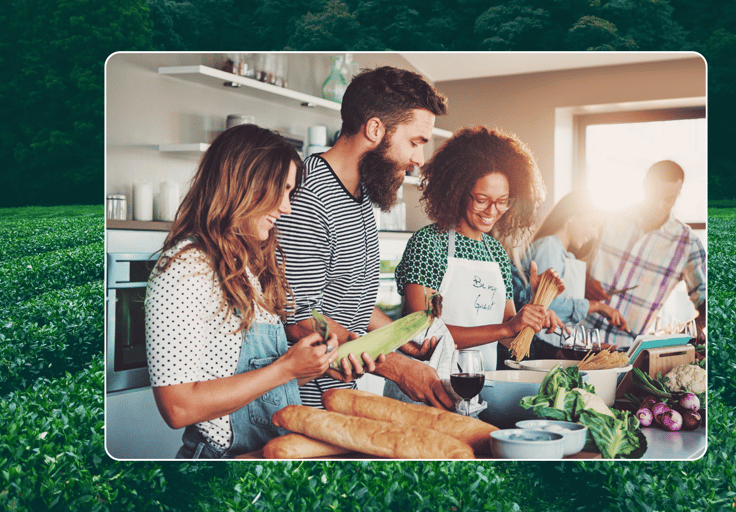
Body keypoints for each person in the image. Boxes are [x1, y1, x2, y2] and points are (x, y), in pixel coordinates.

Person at [144, 125, 363, 459]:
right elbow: (178, 406)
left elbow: (254, 388)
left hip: (269, 454)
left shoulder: (248, 266)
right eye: (281, 191)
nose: (287, 208)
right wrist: (285, 368)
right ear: (244, 186)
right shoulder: (185, 268)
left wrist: (311, 365)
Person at [276, 66, 456, 410]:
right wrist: (398, 368)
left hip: (338, 398)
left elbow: (344, 295)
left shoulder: (358, 196)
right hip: (300, 405)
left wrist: (399, 337)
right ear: (375, 128)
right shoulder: (308, 197)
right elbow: (299, 318)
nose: (419, 159)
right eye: (415, 142)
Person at [395, 126, 566, 372]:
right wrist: (507, 328)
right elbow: (421, 332)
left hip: (476, 387)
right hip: (421, 388)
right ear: (456, 191)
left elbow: (508, 337)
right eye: (482, 199)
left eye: (502, 201)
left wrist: (534, 310)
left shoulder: (495, 253)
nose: (491, 211)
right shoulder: (429, 244)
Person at [584, 160, 707, 348]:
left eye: (668, 199)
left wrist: (695, 327)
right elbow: (570, 259)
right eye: (654, 195)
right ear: (644, 186)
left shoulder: (687, 244)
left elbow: (708, 302)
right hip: (576, 336)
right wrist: (582, 281)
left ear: (678, 195)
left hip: (625, 350)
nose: (659, 205)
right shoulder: (609, 218)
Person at [519, 189, 628, 359]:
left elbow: (562, 322)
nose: (594, 234)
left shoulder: (564, 254)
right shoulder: (549, 247)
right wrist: (598, 306)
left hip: (556, 350)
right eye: (593, 224)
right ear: (570, 217)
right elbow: (545, 307)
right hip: (540, 353)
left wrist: (586, 345)